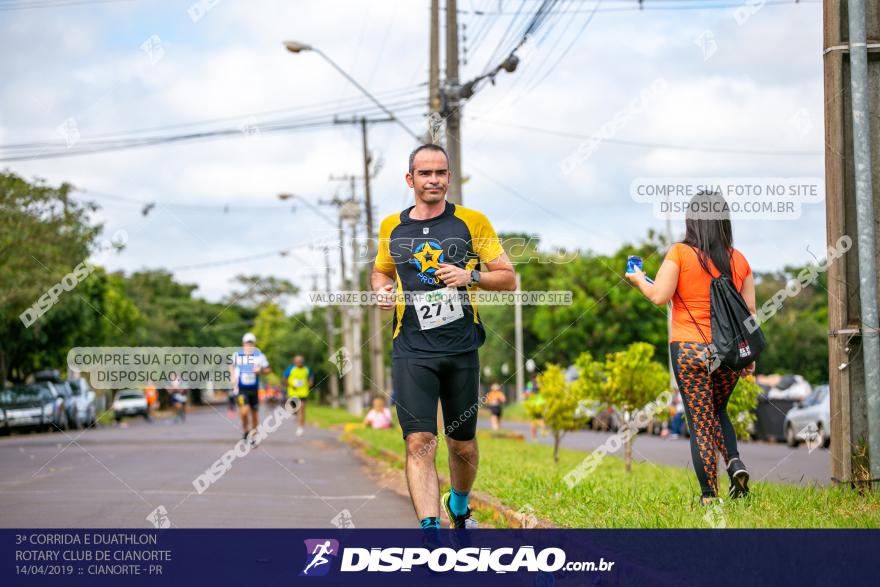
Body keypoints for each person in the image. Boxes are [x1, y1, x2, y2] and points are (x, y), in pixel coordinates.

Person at [371, 144, 516, 531]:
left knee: (462, 444)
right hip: (412, 349)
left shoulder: (472, 222)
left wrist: (470, 276)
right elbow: (382, 272)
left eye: (440, 173)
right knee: (419, 441)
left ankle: (460, 503)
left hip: (460, 347)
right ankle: (430, 532)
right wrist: (382, 290)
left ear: (449, 178)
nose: (433, 180)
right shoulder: (391, 227)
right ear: (410, 179)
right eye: (425, 173)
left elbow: (508, 277)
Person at [626, 190, 756, 505]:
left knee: (700, 420)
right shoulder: (739, 260)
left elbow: (659, 296)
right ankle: (735, 461)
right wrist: (749, 356)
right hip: (728, 353)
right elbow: (750, 315)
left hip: (689, 349)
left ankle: (709, 497)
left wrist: (639, 278)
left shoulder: (681, 254)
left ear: (692, 220)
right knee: (719, 410)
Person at [230, 332, 270, 446]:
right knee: (244, 411)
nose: (249, 345)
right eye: (247, 343)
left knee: (254, 414)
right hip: (242, 389)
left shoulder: (260, 356)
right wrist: (232, 376)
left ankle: (253, 436)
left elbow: (268, 370)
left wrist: (260, 370)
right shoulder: (237, 355)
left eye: (251, 343)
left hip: (254, 389)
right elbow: (231, 365)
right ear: (243, 344)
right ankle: (245, 431)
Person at [283, 355, 313, 437]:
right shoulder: (290, 369)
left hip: (303, 392)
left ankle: (300, 428)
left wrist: (310, 382)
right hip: (293, 392)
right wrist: (291, 385)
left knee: (302, 409)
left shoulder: (307, 369)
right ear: (295, 362)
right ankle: (294, 413)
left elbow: (311, 377)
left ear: (303, 362)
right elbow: (284, 379)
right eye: (298, 361)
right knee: (294, 407)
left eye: (301, 361)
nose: (299, 363)